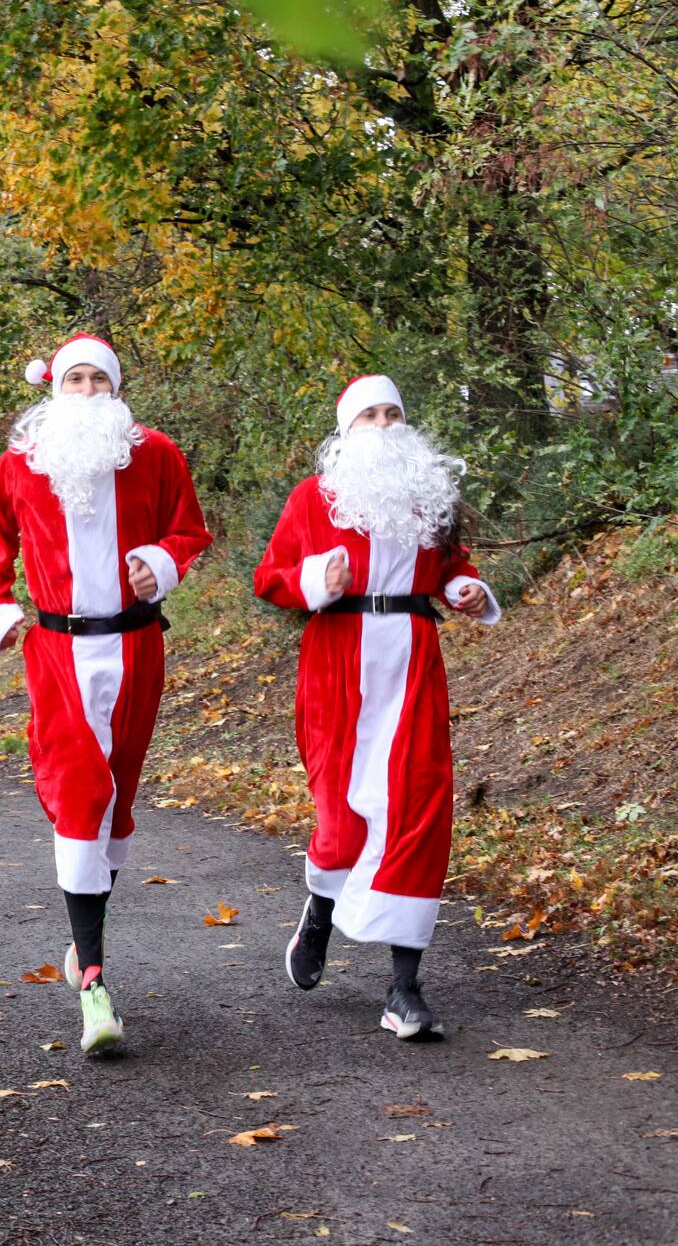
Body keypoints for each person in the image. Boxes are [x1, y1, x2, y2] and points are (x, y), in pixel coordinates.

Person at [0, 333, 213, 1053]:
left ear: (115, 389)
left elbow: (190, 529)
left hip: (138, 645)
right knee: (79, 791)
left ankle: (85, 942)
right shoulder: (20, 464)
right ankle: (95, 985)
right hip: (58, 649)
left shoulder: (156, 453)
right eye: (73, 379)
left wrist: (163, 563)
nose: (85, 391)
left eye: (96, 380)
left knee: (116, 798)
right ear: (55, 388)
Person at [252, 375, 500, 1041]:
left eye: (395, 412)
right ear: (347, 430)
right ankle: (322, 909)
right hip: (338, 662)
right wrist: (315, 582)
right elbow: (269, 577)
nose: (386, 425)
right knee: (342, 820)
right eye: (370, 415)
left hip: (413, 659)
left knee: (419, 803)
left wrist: (467, 588)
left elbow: (453, 566)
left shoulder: (431, 497)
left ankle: (404, 987)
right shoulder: (315, 498)